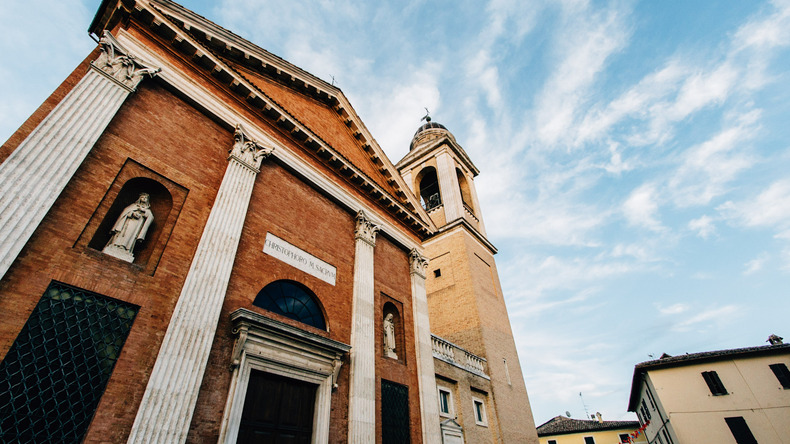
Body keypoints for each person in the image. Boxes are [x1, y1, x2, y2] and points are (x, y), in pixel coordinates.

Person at [103, 193, 154, 262]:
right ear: (139, 198)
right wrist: (132, 214)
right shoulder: (133, 206)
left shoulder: (147, 209)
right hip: (128, 222)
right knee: (123, 233)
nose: (144, 199)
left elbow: (150, 217)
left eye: (145, 198)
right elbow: (125, 212)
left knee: (131, 235)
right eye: (142, 197)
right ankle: (116, 245)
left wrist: (143, 211)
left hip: (137, 225)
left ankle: (126, 249)